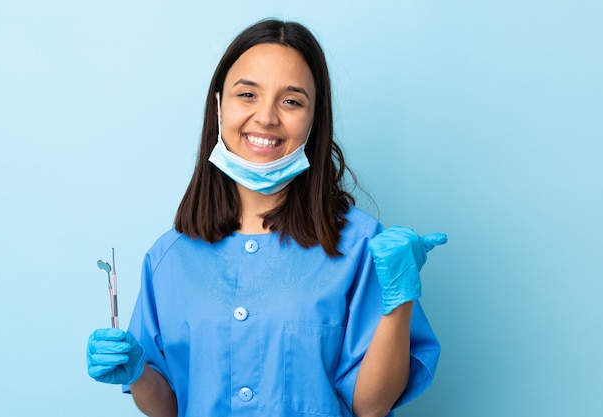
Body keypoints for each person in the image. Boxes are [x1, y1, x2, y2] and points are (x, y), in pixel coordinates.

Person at [87, 18, 446, 417]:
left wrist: (400, 301)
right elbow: (167, 408)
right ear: (220, 105)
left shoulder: (361, 246)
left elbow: (371, 406)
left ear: (314, 118)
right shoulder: (168, 259)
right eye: (247, 95)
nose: (267, 117)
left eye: (291, 101)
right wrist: (137, 372)